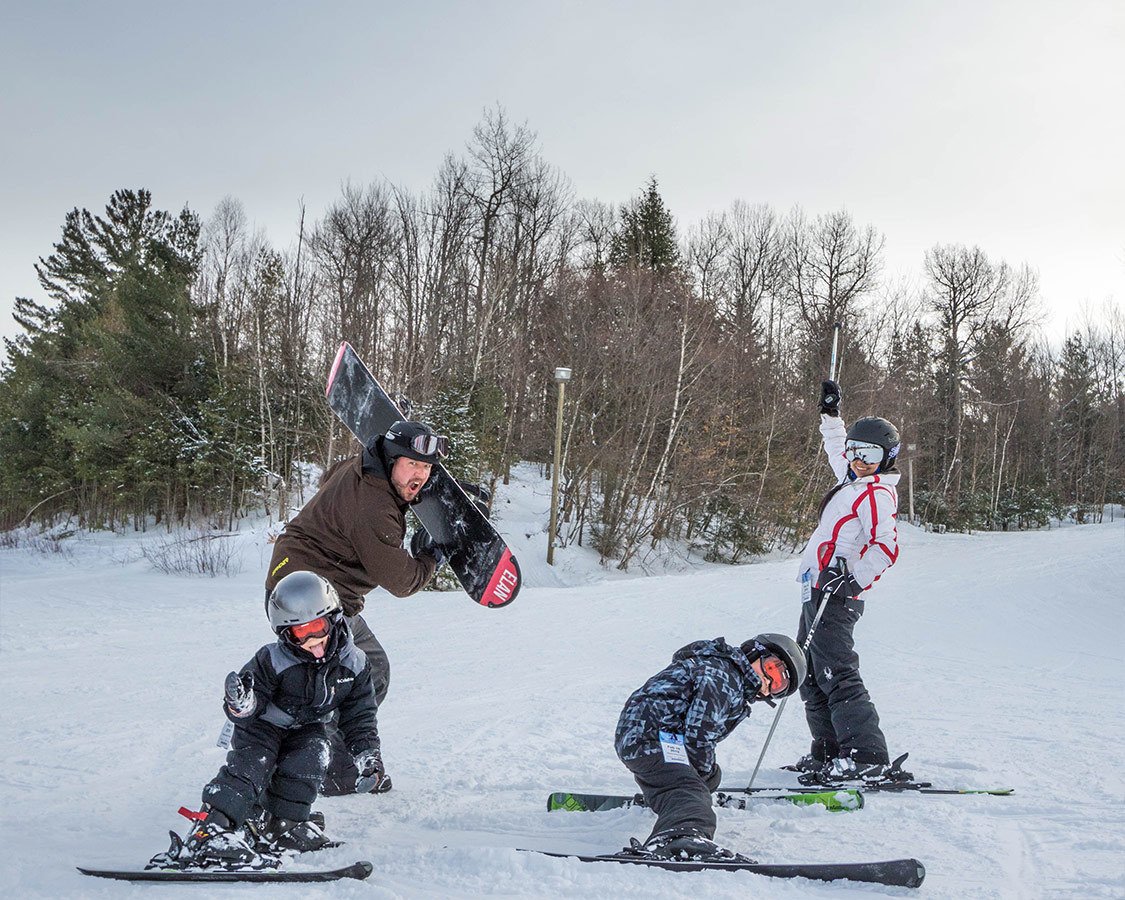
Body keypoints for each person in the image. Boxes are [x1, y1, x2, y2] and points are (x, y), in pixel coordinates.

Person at [264, 419, 451, 795]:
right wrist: (431, 558)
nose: (421, 475)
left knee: (346, 672)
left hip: (295, 580)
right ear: (393, 459)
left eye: (427, 467)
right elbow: (401, 581)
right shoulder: (375, 508)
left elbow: (328, 479)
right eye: (412, 465)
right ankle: (327, 768)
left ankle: (302, 756)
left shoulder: (361, 465)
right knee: (362, 673)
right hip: (313, 597)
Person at [152, 571, 382, 870]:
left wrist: (367, 756)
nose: (313, 640)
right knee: (253, 765)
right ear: (286, 635)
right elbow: (250, 698)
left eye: (317, 627)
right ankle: (212, 830)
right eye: (301, 633)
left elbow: (359, 717)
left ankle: (283, 825)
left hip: (307, 726)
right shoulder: (272, 658)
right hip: (262, 725)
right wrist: (243, 703)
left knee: (313, 756)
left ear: (334, 618)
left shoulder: (355, 664)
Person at [792, 379, 903, 780]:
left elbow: (886, 546)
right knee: (808, 673)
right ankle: (828, 751)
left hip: (837, 596)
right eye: (856, 451)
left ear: (886, 457)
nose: (858, 459)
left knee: (836, 672)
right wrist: (831, 414)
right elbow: (835, 446)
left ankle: (867, 756)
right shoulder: (852, 479)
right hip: (817, 588)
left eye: (869, 454)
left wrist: (852, 580)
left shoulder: (875, 494)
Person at [614, 633, 806, 861]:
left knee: (709, 779)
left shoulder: (724, 672)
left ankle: (669, 798)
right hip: (651, 737)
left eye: (778, 686)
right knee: (694, 791)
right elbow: (699, 735)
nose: (768, 684)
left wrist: (703, 777)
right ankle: (680, 837)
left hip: (651, 735)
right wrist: (696, 786)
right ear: (754, 652)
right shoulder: (723, 675)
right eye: (772, 669)